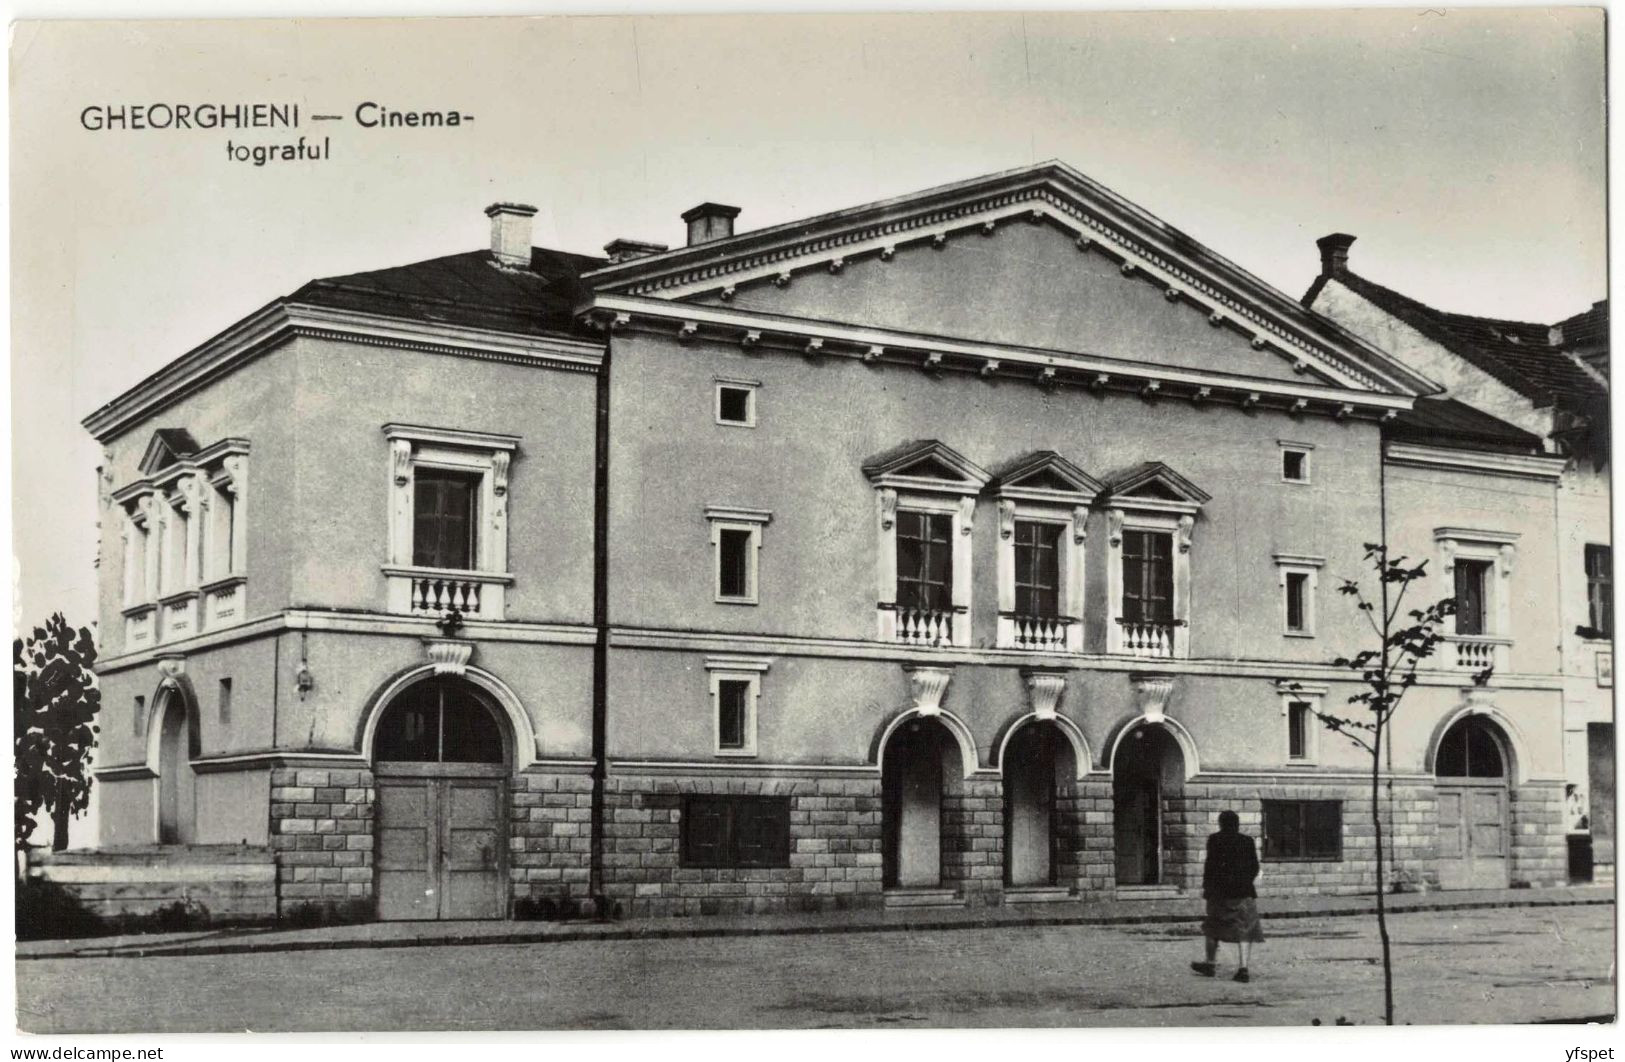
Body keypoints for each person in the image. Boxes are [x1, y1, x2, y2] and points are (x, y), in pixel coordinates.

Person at [1191, 809, 1264, 983]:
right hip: (1244, 892)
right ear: (1237, 824)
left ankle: (1210, 963)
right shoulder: (1247, 841)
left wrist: (1207, 888)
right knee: (1244, 929)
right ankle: (1243, 968)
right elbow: (1254, 866)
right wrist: (1245, 882)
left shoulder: (1215, 840)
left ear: (1221, 824)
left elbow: (1210, 866)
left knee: (1212, 927)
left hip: (1219, 892)